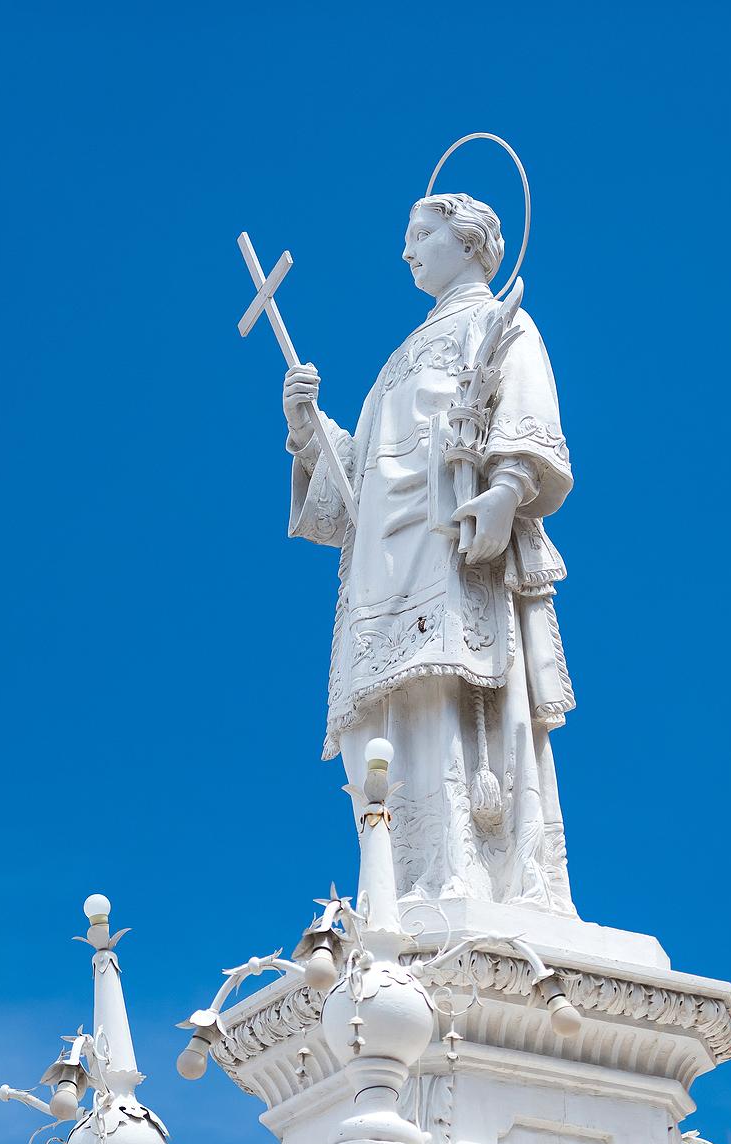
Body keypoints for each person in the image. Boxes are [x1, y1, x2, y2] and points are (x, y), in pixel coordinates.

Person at [282, 193, 577, 914]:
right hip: (386, 567)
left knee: (451, 703)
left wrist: (507, 491)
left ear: (469, 242)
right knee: (389, 713)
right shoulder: (399, 358)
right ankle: (398, 878)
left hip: (452, 548)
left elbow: (528, 416)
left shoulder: (501, 323)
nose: (408, 251)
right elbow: (361, 487)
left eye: (421, 236)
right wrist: (308, 429)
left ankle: (468, 872)